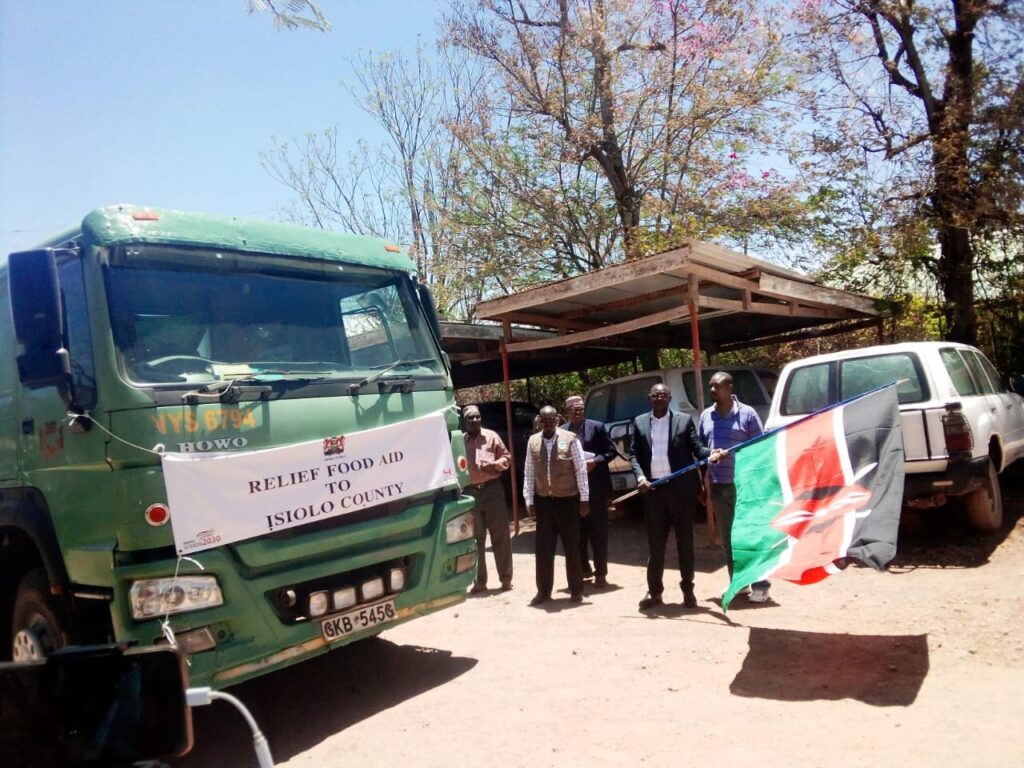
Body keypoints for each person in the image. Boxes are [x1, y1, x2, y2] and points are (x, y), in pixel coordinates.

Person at [629, 383, 715, 610]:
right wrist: (640, 477)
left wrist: (712, 454)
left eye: (663, 395)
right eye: (655, 395)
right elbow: (634, 455)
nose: (659, 398)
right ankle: (654, 592)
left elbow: (698, 449)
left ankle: (688, 591)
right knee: (656, 546)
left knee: (684, 544)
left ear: (669, 398)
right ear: (650, 398)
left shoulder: (683, 420)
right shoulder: (639, 422)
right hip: (654, 493)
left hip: (681, 493)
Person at [698, 371, 772, 603]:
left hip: (744, 485)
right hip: (719, 485)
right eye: (710, 387)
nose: (712, 391)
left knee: (750, 535)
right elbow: (700, 450)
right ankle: (738, 582)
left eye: (716, 386)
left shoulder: (747, 414)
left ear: (729, 387)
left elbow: (760, 449)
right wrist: (704, 482)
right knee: (728, 537)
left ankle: (761, 584)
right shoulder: (706, 417)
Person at [523, 405, 590, 606]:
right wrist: (529, 499)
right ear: (540, 421)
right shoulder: (533, 441)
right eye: (545, 420)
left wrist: (584, 499)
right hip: (544, 502)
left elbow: (580, 470)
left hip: (567, 502)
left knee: (572, 548)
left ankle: (576, 590)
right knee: (544, 550)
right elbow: (529, 472)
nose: (548, 423)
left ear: (557, 420)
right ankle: (543, 592)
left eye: (552, 420)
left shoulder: (570, 439)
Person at [564, 395, 616, 588]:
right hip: (572, 492)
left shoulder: (597, 427)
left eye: (580, 408)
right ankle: (583, 569)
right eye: (573, 409)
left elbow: (611, 451)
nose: (578, 411)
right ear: (567, 412)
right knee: (578, 534)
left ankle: (601, 573)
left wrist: (596, 461)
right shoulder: (562, 432)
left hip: (596, 491)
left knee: (598, 533)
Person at [462, 405, 514, 594]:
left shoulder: (492, 436)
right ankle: (479, 581)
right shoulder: (459, 442)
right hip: (470, 493)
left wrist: (496, 464)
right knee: (476, 539)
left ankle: (506, 579)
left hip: (493, 491)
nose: (475, 420)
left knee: (500, 535)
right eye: (470, 418)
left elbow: (507, 458)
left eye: (477, 417)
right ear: (464, 421)